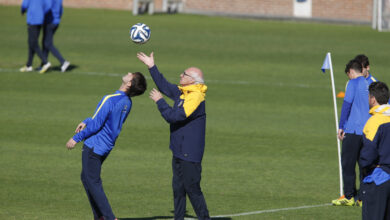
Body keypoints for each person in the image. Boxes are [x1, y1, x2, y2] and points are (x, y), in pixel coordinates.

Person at [137, 52, 210, 220]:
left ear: (192, 79)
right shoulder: (183, 92)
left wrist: (160, 101)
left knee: (192, 189)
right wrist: (151, 66)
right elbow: (164, 86)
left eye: (183, 74)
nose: (180, 75)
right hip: (178, 150)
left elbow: (173, 117)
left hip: (189, 153)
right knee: (178, 189)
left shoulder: (195, 97)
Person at [66, 72, 147, 220]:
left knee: (92, 181)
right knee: (86, 178)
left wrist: (76, 138)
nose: (128, 73)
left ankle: (109, 217)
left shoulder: (110, 99)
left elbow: (96, 124)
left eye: (131, 74)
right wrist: (86, 120)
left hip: (94, 146)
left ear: (129, 83)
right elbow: (104, 120)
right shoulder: (127, 102)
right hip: (105, 146)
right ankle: (100, 216)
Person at [332, 59, 370, 206]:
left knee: (348, 164)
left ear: (351, 72)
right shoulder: (371, 83)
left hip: (353, 130)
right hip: (367, 132)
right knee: (364, 165)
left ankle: (349, 196)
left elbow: (346, 105)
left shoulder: (353, 84)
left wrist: (341, 126)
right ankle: (362, 198)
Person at [360, 81, 390, 220]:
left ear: (373, 99)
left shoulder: (374, 122)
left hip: (379, 178)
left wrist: (364, 165)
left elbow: (369, 153)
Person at [20, 0, 51, 74]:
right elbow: (48, 6)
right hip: (40, 20)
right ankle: (29, 65)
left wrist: (22, 11)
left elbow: (24, 5)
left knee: (33, 43)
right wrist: (41, 12)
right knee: (31, 43)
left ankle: (45, 62)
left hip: (32, 20)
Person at [42, 0, 70, 72]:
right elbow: (61, 10)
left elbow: (47, 7)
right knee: (45, 42)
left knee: (48, 43)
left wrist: (40, 14)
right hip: (56, 22)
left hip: (49, 21)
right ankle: (44, 64)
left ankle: (63, 62)